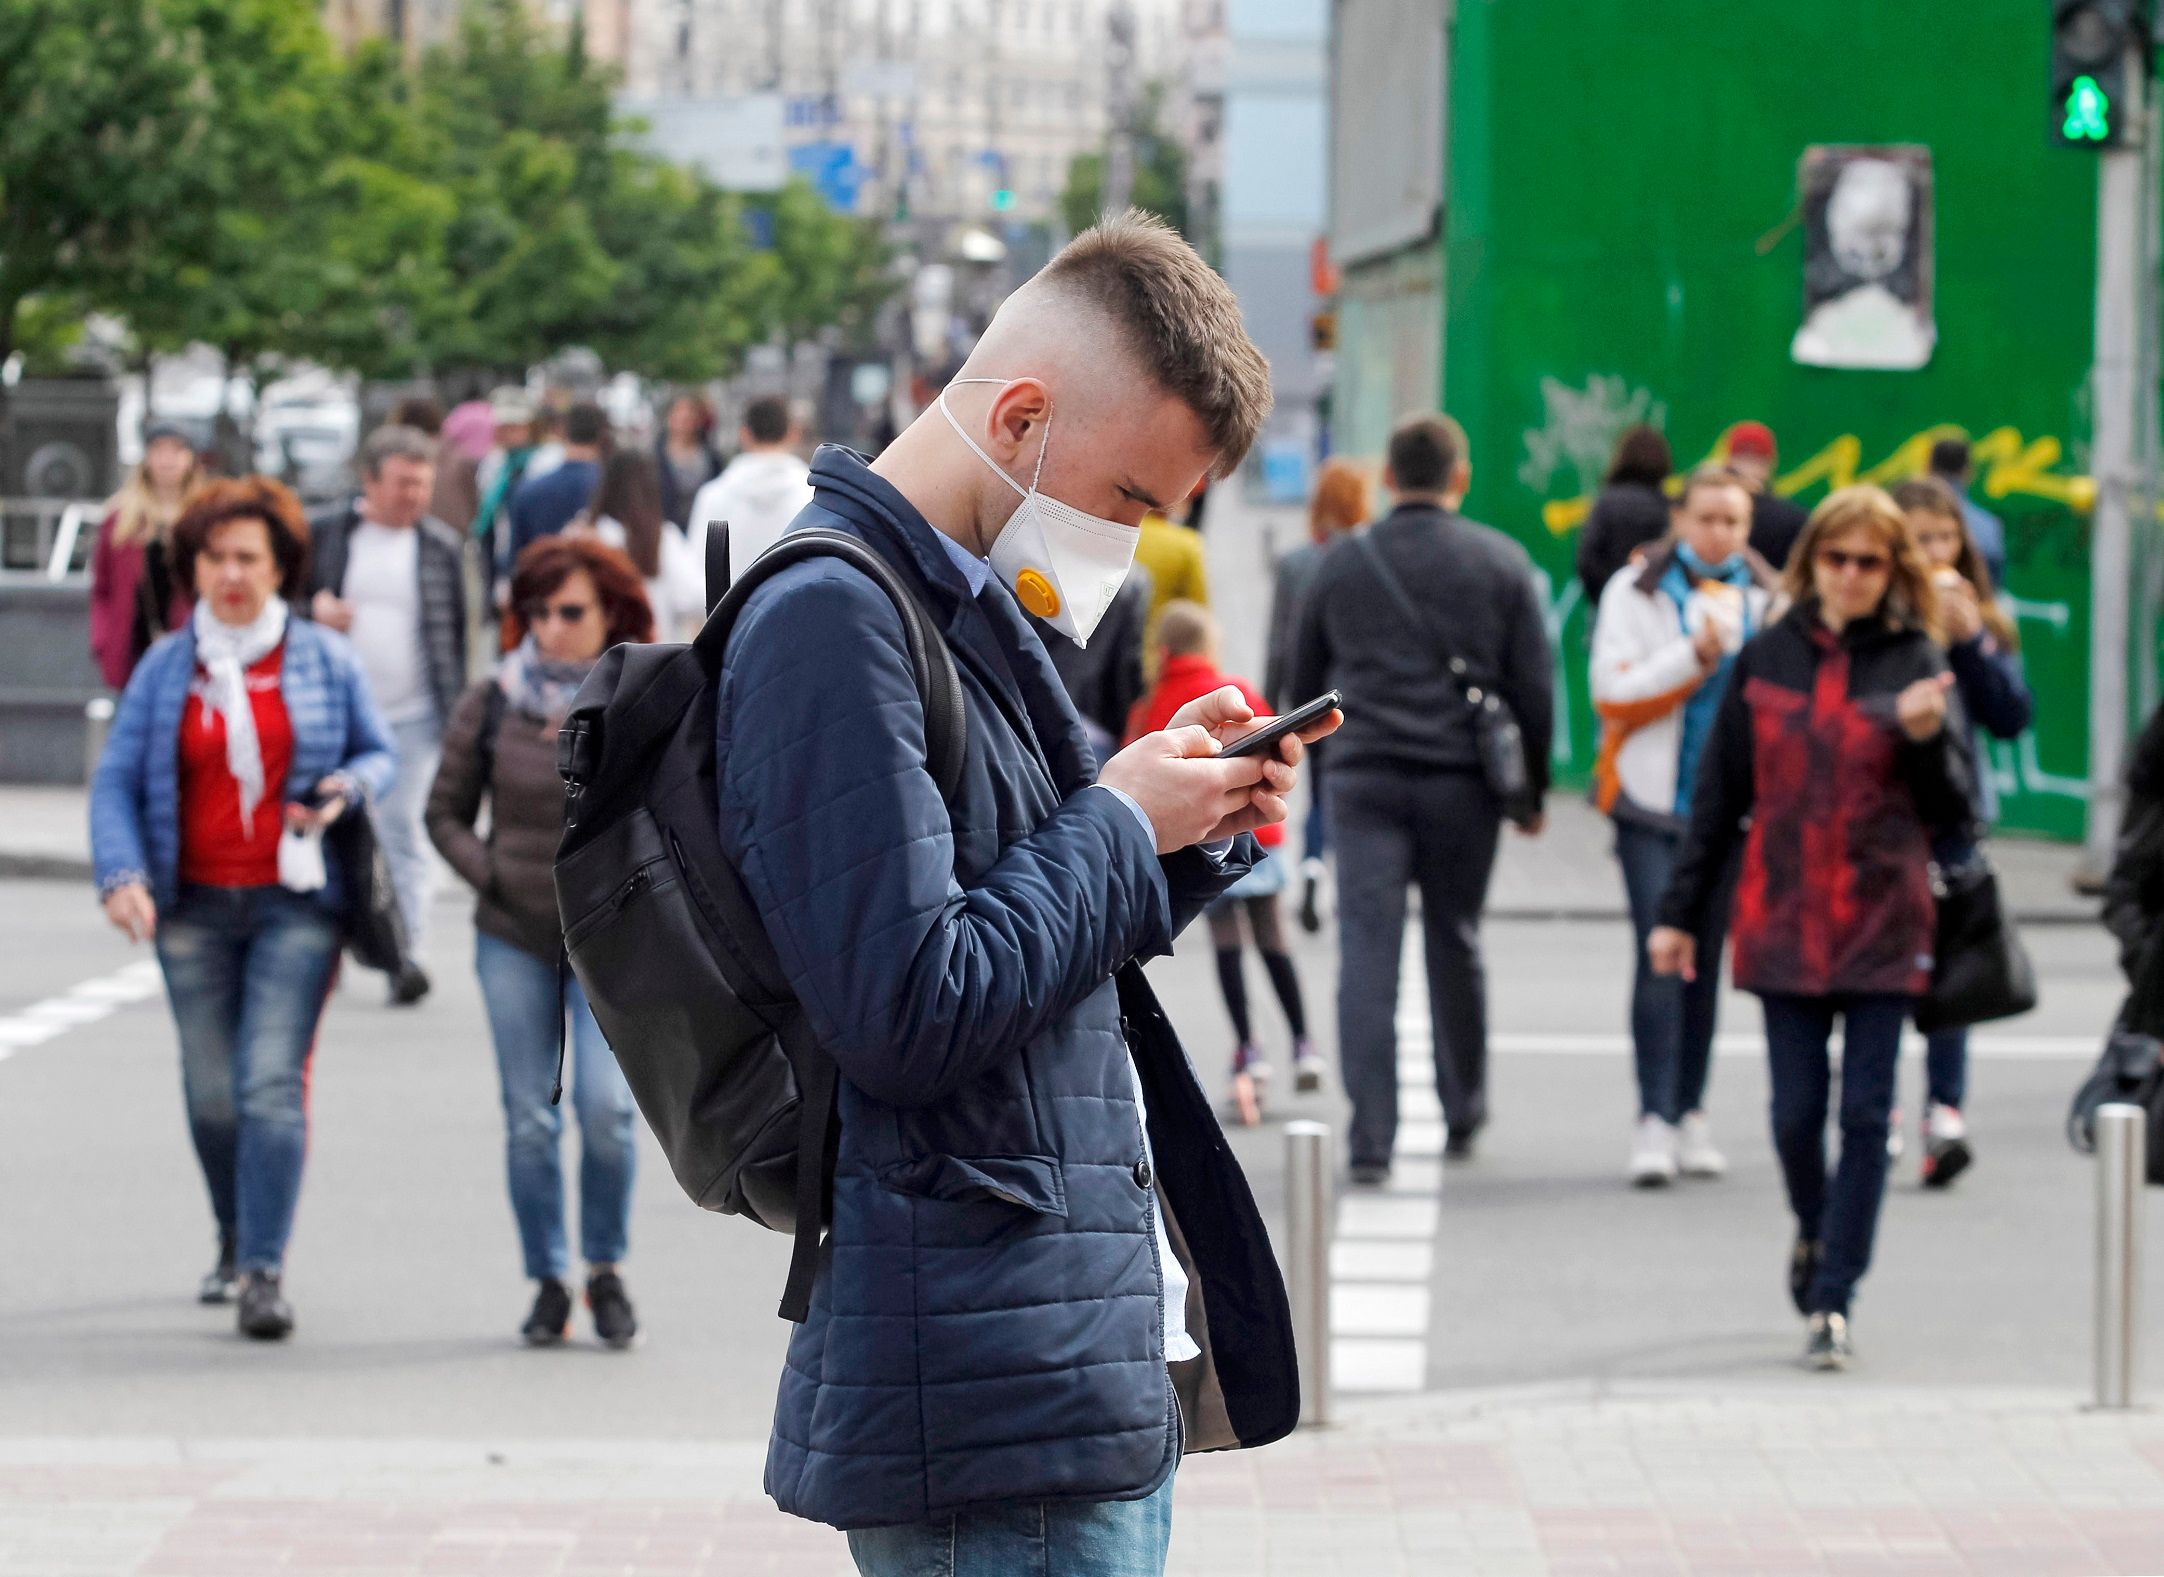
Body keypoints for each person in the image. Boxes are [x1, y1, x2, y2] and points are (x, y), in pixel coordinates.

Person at [713, 212, 1325, 1571]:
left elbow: (1039, 941)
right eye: (1130, 501)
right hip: (991, 1397)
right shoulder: (833, 614)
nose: (1128, 540)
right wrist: (1117, 815)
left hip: (1054, 1359)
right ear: (1026, 413)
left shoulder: (952, 603)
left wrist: (1186, 818)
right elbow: (909, 1008)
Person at [1649, 484, 1973, 1372]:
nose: (1854, 576)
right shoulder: (1765, 657)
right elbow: (1719, 801)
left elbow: (1959, 812)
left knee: (1865, 1114)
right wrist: (1678, 916)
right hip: (1784, 916)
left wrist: (1926, 738)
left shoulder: (1918, 660)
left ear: (1894, 569)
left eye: (1872, 562)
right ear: (1814, 563)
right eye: (1839, 558)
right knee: (1796, 1118)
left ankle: (1835, 1293)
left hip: (1882, 917)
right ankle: (1815, 1228)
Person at [89, 477, 395, 1339]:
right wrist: (121, 873)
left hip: (295, 904)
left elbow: (378, 751)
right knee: (211, 1092)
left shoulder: (321, 657)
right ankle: (232, 1231)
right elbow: (115, 777)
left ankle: (263, 1266)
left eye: (247, 559)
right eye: (215, 558)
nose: (230, 574)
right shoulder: (166, 665)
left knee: (267, 1085)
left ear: (279, 568)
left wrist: (345, 785)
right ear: (194, 567)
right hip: (190, 906)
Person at [1291, 413, 1555, 1179]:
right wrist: (1529, 792)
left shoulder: (1338, 566)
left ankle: (1371, 1139)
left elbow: (1301, 686)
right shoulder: (1502, 563)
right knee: (1456, 939)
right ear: (1460, 477)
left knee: (1366, 952)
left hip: (1363, 777)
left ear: (1387, 478)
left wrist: (1322, 780)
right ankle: (1462, 1107)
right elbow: (1534, 690)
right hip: (1462, 786)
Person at [428, 536, 652, 1349]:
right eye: (537, 611)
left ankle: (605, 1268)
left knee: (604, 1111)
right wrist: (490, 873)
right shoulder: (494, 700)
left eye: (569, 612)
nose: (550, 628)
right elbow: (442, 811)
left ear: (609, 616)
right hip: (512, 936)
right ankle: (548, 1277)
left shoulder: (637, 699)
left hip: (607, 943)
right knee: (529, 1119)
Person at [1590, 467, 1776, 1186]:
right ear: (1680, 519)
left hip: (1729, 813)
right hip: (1650, 804)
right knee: (1659, 949)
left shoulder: (1768, 598)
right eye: (1706, 518)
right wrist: (1692, 655)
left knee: (1705, 962)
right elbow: (1613, 688)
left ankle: (1691, 1109)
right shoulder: (1635, 589)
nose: (1719, 533)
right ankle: (1653, 1116)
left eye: (1733, 521)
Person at [1128, 600, 1321, 1122]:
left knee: (1229, 943)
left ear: (1163, 649)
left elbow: (1133, 771)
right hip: (1260, 837)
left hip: (1202, 841)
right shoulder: (1233, 691)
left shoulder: (1155, 703)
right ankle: (1304, 1042)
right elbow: (1272, 746)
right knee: (1273, 936)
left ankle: (1249, 1050)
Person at [1891, 476, 2032, 1186]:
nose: (1934, 552)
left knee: (1953, 963)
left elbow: (2011, 713)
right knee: (1882, 962)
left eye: (1944, 538)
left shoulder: (1983, 619)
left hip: (1954, 813)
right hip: (1885, 813)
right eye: (1919, 540)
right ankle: (1876, 1102)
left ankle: (1945, 1111)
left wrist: (1970, 636)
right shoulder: (1877, 619)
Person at [308, 425, 467, 1005]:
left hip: (415, 716)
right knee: (329, 829)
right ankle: (331, 949)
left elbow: (454, 635)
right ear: (369, 480)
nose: (414, 495)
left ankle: (408, 950)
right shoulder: (324, 534)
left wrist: (458, 716)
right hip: (334, 716)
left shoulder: (440, 546)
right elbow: (283, 607)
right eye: (402, 483)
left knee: (402, 830)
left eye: (422, 484)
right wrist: (313, 612)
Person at [1266, 456, 1370, 933]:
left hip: (1310, 698)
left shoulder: (1295, 563)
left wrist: (1270, 707)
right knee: (1351, 793)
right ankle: (1343, 878)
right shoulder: (1369, 560)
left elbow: (1280, 639)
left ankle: (1309, 865)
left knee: (1317, 791)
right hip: (1360, 699)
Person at [89, 424, 205, 688]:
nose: (167, 460)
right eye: (159, 451)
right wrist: (102, 641)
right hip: (132, 650)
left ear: (190, 459)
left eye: (176, 451)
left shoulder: (205, 517)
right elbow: (102, 588)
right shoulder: (120, 519)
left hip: (193, 650)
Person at [572, 448, 706, 642]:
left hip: (596, 658)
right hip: (653, 657)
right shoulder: (663, 539)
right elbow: (695, 597)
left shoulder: (582, 534)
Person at [688, 394, 814, 586]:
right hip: (793, 611)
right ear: (793, 433)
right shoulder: (812, 496)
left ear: (744, 434)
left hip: (729, 612)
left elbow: (696, 575)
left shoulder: (713, 495)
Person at [1031, 562, 1152, 760]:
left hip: (1032, 698)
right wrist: (1121, 725)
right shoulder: (1132, 580)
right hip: (1090, 717)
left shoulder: (1047, 559)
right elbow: (1126, 664)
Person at [1575, 423, 1674, 608]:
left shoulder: (1606, 503)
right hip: (1657, 603)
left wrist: (1607, 597)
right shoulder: (1668, 506)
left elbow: (1587, 561)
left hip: (1610, 604)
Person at [507, 401, 608, 564]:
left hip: (539, 584)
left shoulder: (528, 491)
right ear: (603, 435)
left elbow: (515, 561)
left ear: (562, 431)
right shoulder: (614, 492)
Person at [473, 388, 542, 616]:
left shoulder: (541, 463)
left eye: (515, 426)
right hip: (496, 555)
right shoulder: (494, 463)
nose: (508, 432)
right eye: (504, 426)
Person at [1723, 421, 1810, 572]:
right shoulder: (1795, 517)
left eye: (1753, 460)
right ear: (1772, 462)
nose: (1748, 468)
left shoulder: (1793, 518)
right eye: (1745, 458)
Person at [1134, 499, 1209, 673]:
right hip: (1159, 661)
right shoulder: (1186, 545)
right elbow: (1199, 615)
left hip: (1107, 656)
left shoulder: (1117, 532)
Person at [1926, 436, 2008, 588]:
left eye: (1946, 537)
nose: (1939, 553)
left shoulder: (1907, 518)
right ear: (1968, 471)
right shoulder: (1989, 525)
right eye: (1924, 539)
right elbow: (1996, 587)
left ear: (1929, 468)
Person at [654, 392, 725, 529]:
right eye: (679, 412)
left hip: (703, 528)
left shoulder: (712, 459)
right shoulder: (654, 459)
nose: (684, 419)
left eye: (690, 413)